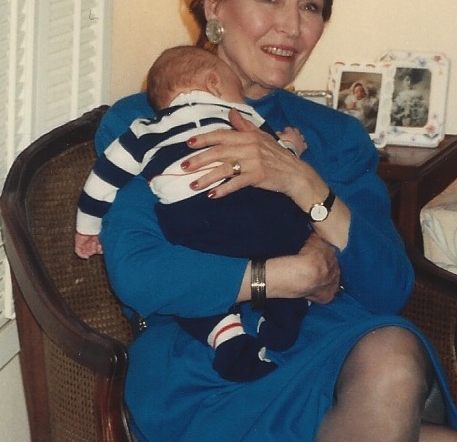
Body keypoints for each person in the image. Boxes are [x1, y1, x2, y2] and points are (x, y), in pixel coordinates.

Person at [95, 0, 457, 442]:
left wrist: (303, 182)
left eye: (311, 6)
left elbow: (390, 288)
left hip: (337, 357)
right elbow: (139, 275)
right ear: (212, 5)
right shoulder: (149, 122)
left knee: (435, 428)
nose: (292, 26)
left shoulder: (335, 137)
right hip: (210, 365)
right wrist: (281, 276)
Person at [75, 44, 312, 382]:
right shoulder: (239, 116)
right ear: (214, 83)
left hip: (190, 221)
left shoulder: (143, 129)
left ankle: (225, 335)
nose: (242, 98)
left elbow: (103, 180)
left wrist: (87, 227)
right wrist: (292, 146)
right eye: (237, 89)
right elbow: (278, 160)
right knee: (291, 231)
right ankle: (285, 315)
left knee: (192, 281)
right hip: (252, 210)